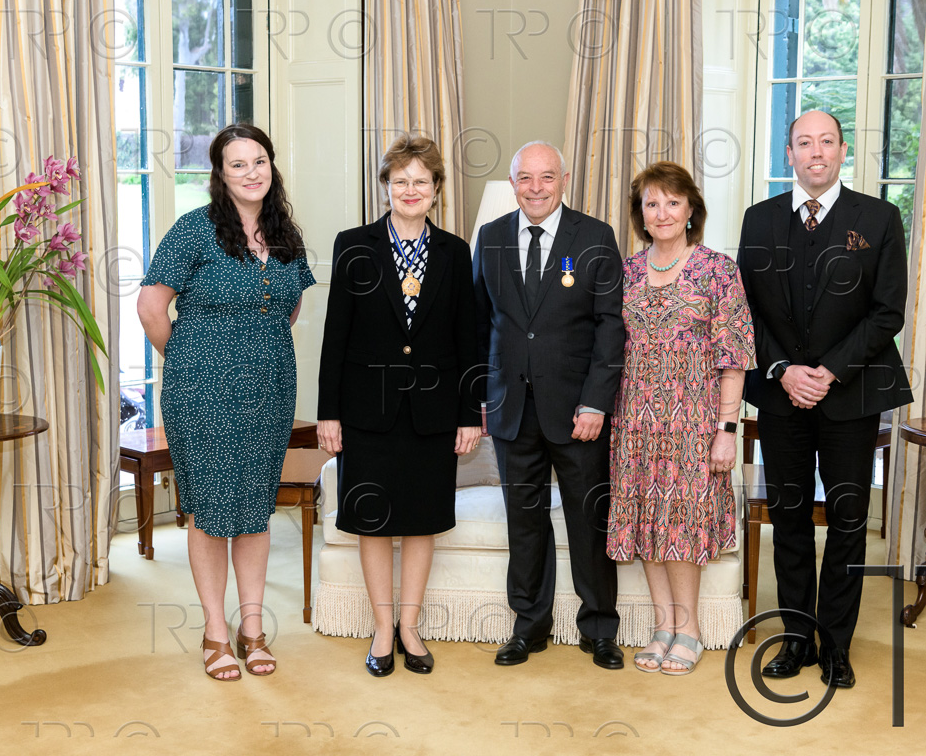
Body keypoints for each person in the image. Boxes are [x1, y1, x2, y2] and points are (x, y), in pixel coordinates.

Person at [737, 110, 913, 689]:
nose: (816, 152)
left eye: (827, 142)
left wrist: (829, 371)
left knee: (847, 520)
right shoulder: (759, 219)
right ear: (789, 153)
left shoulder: (880, 218)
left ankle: (836, 645)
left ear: (842, 150)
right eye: (804, 143)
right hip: (780, 395)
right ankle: (796, 638)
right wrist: (785, 371)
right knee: (789, 519)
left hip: (852, 396)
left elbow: (887, 311)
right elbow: (746, 312)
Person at [137, 123, 315, 681]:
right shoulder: (193, 230)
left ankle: (252, 629)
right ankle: (216, 631)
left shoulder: (286, 234)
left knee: (256, 508)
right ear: (220, 173)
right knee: (212, 511)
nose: (251, 172)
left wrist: (256, 352)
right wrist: (191, 359)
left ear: (271, 166)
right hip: (201, 391)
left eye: (259, 161)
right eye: (238, 164)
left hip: (269, 391)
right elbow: (150, 308)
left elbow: (288, 307)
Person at [317, 134, 481, 677]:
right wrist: (328, 412)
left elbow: (468, 339)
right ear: (385, 186)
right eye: (401, 180)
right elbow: (335, 335)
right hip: (367, 411)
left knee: (420, 521)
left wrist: (469, 414)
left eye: (422, 181)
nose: (411, 190)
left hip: (433, 413)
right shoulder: (353, 244)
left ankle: (410, 626)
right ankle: (382, 627)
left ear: (436, 189)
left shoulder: (455, 252)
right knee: (373, 522)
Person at [473, 141, 625, 669]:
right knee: (525, 522)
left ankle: (599, 628)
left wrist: (596, 403)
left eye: (546, 177)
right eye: (525, 178)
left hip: (578, 411)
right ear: (512, 183)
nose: (535, 188)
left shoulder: (595, 237)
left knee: (589, 520)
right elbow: (480, 324)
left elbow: (611, 327)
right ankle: (529, 626)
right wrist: (481, 397)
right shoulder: (491, 237)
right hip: (512, 407)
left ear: (564, 180)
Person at [607, 162, 755, 675]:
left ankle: (689, 629)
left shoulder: (718, 269)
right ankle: (662, 625)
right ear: (640, 214)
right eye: (652, 203)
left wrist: (726, 431)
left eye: (673, 202)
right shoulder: (625, 271)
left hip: (694, 423)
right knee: (647, 520)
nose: (662, 212)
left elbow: (735, 359)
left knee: (682, 523)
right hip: (634, 421)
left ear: (691, 209)